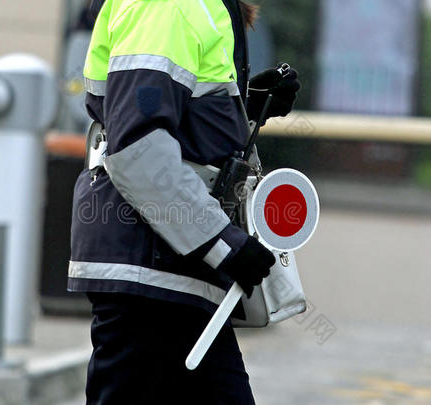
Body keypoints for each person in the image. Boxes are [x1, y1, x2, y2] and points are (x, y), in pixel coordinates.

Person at [69, 1, 301, 403]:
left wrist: (244, 105)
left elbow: (165, 125)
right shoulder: (170, 4)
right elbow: (136, 148)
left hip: (166, 272)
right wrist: (220, 243)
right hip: (153, 275)